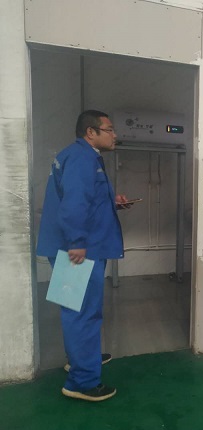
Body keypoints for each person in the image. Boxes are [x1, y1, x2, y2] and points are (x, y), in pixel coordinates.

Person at [37, 110, 131, 402]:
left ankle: (80, 359)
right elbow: (74, 202)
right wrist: (77, 241)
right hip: (79, 249)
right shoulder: (82, 158)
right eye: (109, 130)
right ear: (91, 132)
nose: (115, 135)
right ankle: (82, 381)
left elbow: (83, 197)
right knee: (83, 313)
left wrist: (112, 201)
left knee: (75, 309)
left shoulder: (77, 155)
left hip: (74, 245)